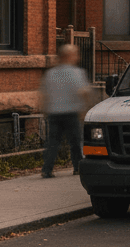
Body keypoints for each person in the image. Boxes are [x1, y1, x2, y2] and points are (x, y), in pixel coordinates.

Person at [39, 43, 92, 178]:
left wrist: (45, 109)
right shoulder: (77, 73)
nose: (77, 57)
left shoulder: (50, 73)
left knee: (53, 143)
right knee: (75, 142)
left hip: (54, 112)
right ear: (70, 56)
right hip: (72, 112)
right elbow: (83, 92)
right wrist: (86, 109)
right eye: (75, 54)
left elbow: (44, 94)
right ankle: (77, 167)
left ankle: (47, 169)